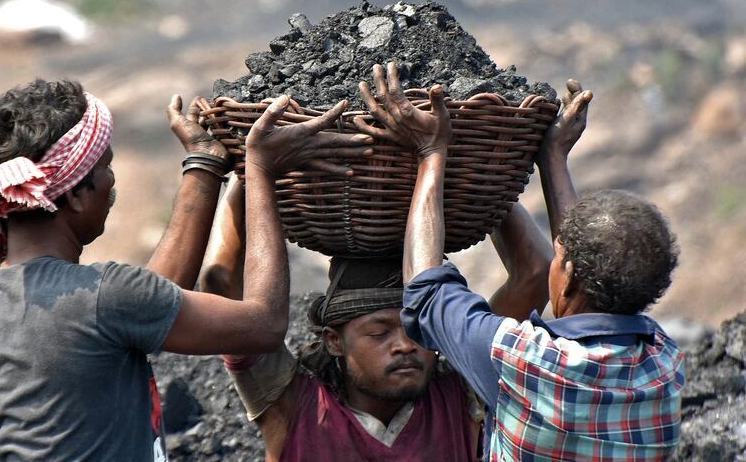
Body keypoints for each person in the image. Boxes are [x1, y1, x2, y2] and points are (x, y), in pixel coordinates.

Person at [0, 79, 371, 461]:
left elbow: (151, 301)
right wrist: (260, 170)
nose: (112, 184)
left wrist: (204, 165)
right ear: (77, 196)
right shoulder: (104, 297)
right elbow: (263, 324)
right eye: (106, 169)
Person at [361, 62, 685, 460]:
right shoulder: (663, 365)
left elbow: (426, 291)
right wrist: (553, 157)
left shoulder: (525, 363)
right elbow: (581, 259)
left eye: (560, 257)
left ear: (567, 279)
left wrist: (431, 151)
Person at [200, 128, 553, 459]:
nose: (405, 345)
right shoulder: (292, 405)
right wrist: (247, 170)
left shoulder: (463, 394)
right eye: (380, 332)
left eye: (420, 331)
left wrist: (483, 167)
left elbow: (536, 273)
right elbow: (220, 283)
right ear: (334, 341)